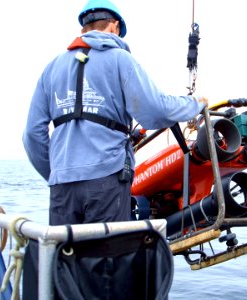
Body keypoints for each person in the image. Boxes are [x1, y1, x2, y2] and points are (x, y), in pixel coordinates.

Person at [23, 0, 207, 226]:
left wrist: (57, 173)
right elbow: (154, 111)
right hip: (107, 179)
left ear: (83, 29)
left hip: (62, 185)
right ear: (115, 27)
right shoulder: (120, 59)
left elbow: (32, 134)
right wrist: (194, 103)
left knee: (66, 256)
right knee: (107, 256)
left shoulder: (52, 68)